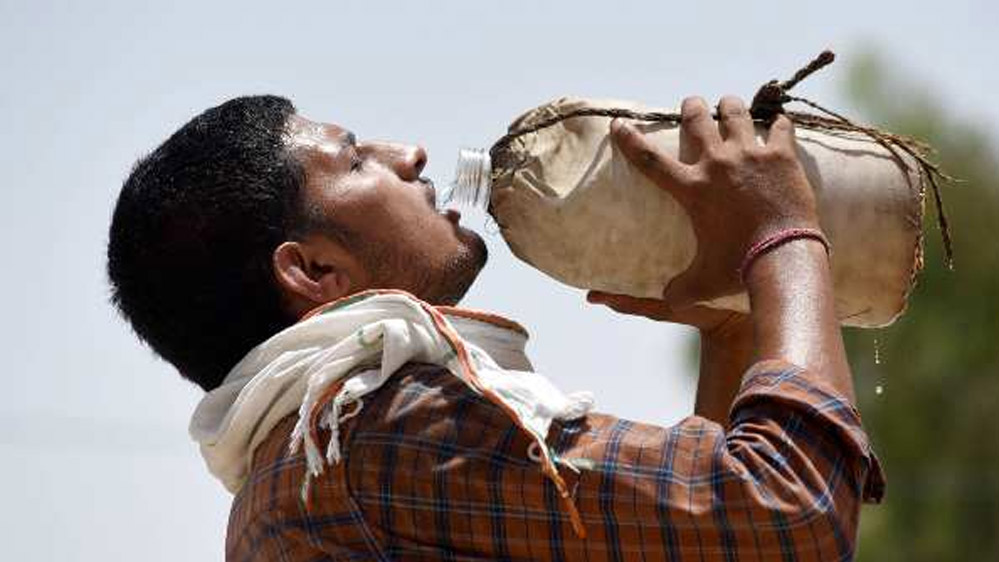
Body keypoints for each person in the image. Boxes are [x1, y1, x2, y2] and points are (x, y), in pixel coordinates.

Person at [107, 94, 884, 561]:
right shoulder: (380, 429)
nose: (409, 155)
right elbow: (790, 516)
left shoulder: (299, 472)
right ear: (313, 271)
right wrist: (781, 231)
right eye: (354, 161)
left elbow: (703, 547)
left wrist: (728, 335)